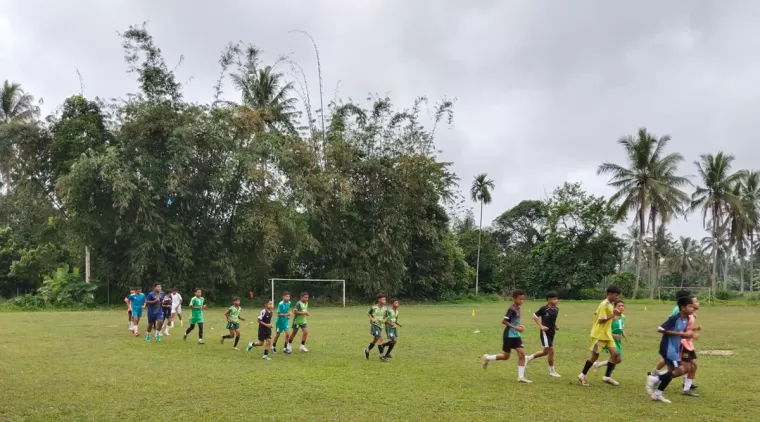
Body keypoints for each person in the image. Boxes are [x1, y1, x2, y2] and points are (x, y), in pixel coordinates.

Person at [646, 296, 697, 403]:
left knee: (670, 372)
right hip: (668, 348)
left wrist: (688, 335)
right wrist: (681, 334)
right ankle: (654, 379)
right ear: (683, 308)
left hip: (675, 348)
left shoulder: (686, 319)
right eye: (690, 306)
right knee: (680, 370)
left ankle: (658, 394)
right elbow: (660, 329)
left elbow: (680, 334)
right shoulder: (674, 318)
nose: (692, 309)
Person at [481, 289, 532, 383]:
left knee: (522, 354)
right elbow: (504, 321)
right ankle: (487, 357)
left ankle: (521, 377)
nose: (522, 301)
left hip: (516, 335)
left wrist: (520, 326)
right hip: (509, 335)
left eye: (523, 299)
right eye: (520, 299)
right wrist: (516, 328)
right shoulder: (511, 309)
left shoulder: (518, 308)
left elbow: (514, 321)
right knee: (506, 356)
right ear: (514, 299)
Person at [578, 285, 622, 387]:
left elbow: (596, 313)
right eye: (616, 295)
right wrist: (613, 315)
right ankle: (582, 375)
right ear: (609, 294)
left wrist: (614, 316)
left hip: (607, 334)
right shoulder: (604, 305)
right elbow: (600, 320)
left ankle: (607, 377)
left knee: (615, 354)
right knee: (594, 356)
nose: (617, 298)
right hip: (599, 335)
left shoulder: (610, 305)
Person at [525, 291, 561, 377]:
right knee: (551, 351)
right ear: (549, 300)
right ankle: (552, 371)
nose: (556, 300)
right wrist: (541, 326)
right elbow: (535, 316)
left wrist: (555, 325)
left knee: (545, 352)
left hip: (552, 332)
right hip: (545, 333)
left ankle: (528, 358)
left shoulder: (556, 309)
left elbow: (552, 320)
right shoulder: (544, 308)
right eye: (554, 299)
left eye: (557, 299)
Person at [593, 300, 627, 376]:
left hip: (618, 340)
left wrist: (623, 332)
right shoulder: (612, 317)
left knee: (618, 360)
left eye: (622, 306)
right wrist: (613, 335)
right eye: (619, 306)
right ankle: (608, 375)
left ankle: (599, 365)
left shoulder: (623, 316)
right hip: (610, 339)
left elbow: (621, 326)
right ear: (614, 307)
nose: (621, 307)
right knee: (615, 357)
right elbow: (607, 327)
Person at [680, 296, 702, 397]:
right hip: (683, 343)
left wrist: (695, 329)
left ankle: (686, 387)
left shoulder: (693, 315)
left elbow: (688, 328)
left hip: (688, 344)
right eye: (696, 301)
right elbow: (681, 330)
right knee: (685, 368)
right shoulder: (685, 316)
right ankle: (656, 378)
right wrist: (692, 334)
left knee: (693, 366)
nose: (698, 303)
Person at [365, 293, 388, 361]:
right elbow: (368, 313)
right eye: (383, 299)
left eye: (385, 299)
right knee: (380, 339)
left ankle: (367, 350)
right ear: (379, 300)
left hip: (381, 326)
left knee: (375, 340)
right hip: (375, 325)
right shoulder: (374, 307)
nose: (385, 300)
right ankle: (382, 355)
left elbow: (386, 316)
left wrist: (384, 320)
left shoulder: (385, 308)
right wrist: (372, 319)